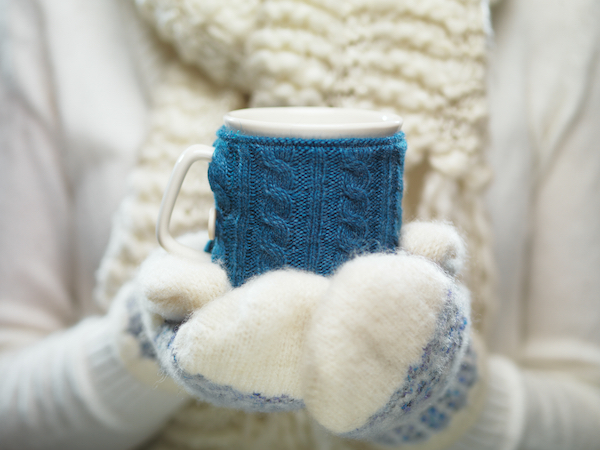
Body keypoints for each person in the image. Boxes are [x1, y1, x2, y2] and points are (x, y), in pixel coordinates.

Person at [1, 0, 599, 449]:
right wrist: (147, 344)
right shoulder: (57, 14)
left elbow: (586, 410)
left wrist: (435, 392)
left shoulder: (559, 21)